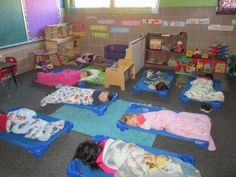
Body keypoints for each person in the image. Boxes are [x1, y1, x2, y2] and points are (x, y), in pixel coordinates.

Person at [73, 138, 201, 177]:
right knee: (159, 160)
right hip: (142, 155)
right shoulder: (106, 141)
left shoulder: (102, 163)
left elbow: (116, 170)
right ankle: (182, 168)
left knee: (151, 172)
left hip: (136, 160)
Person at [121, 110, 216, 151]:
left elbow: (148, 127)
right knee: (182, 121)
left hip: (166, 118)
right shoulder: (141, 116)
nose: (134, 124)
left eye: (133, 121)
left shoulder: (141, 119)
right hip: (166, 113)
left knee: (181, 128)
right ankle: (199, 126)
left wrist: (140, 125)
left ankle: (202, 131)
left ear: (134, 115)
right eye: (132, 125)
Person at [0, 108, 65, 141]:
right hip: (14, 125)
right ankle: (43, 131)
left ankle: (46, 126)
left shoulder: (7, 115)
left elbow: (15, 114)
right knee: (17, 129)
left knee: (32, 120)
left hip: (16, 118)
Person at [40, 86, 113, 107]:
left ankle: (50, 96)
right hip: (82, 92)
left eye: (103, 97)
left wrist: (100, 99)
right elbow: (91, 92)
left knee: (66, 96)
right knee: (68, 89)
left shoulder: (98, 102)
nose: (102, 95)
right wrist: (99, 95)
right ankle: (53, 94)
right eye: (103, 94)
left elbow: (93, 101)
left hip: (79, 97)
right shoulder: (99, 92)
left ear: (104, 100)